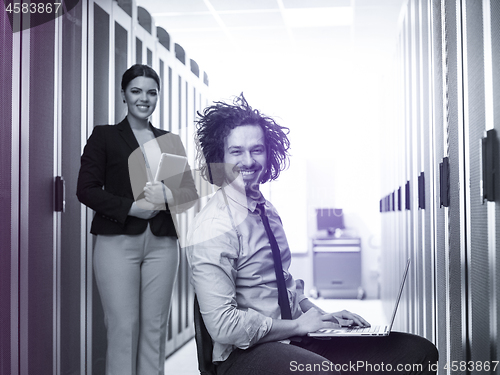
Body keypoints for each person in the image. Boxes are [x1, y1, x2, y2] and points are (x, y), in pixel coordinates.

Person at [187, 94, 438, 375]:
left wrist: (319, 315)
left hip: (293, 338)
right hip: (244, 354)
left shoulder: (266, 211)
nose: (249, 160)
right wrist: (298, 325)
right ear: (218, 158)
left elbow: (283, 284)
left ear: (269, 153)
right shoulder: (213, 226)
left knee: (417, 353)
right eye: (236, 151)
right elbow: (224, 326)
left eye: (257, 150)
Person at [77, 64, 198, 375]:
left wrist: (166, 196)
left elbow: (187, 195)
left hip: (163, 245)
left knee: (155, 328)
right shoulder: (104, 136)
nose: (144, 98)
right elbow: (85, 189)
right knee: (123, 327)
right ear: (124, 95)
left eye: (151, 92)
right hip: (117, 242)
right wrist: (132, 208)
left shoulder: (169, 141)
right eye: (136, 91)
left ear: (157, 97)